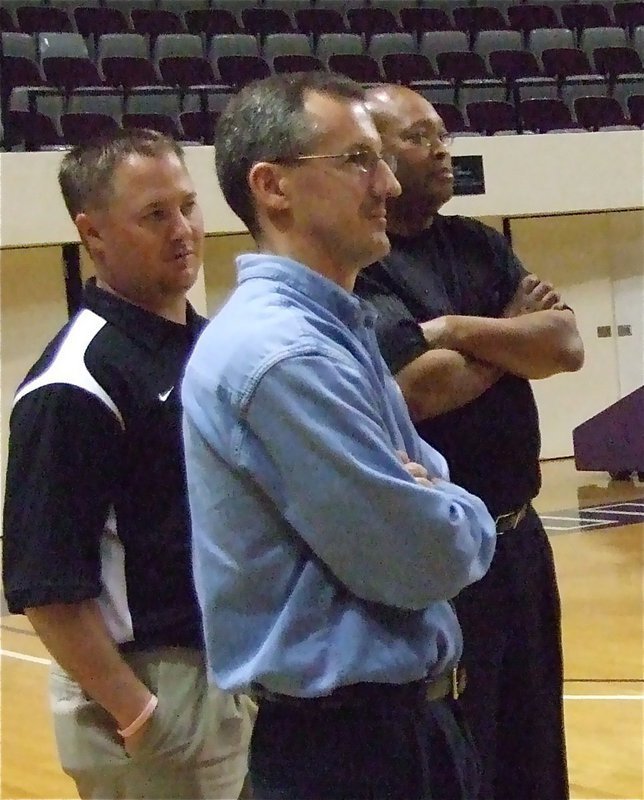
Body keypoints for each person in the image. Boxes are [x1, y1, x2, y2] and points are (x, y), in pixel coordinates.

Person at [182, 71, 497, 800]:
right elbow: (418, 560)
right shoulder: (287, 357)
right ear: (273, 187)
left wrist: (433, 494)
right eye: (357, 159)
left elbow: (423, 498)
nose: (387, 182)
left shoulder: (333, 330)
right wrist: (458, 509)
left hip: (402, 731)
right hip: (348, 752)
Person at [2, 129, 254, 800]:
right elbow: (45, 582)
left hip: (236, 672)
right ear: (93, 233)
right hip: (157, 687)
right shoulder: (75, 382)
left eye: (188, 205)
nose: (184, 230)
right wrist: (136, 711)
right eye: (154, 215)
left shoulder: (206, 345)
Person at [353, 85, 585, 800]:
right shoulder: (367, 265)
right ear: (378, 162)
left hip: (520, 536)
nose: (443, 147)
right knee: (465, 740)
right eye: (420, 136)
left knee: (534, 731)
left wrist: (455, 328)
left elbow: (565, 344)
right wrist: (508, 335)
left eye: (442, 132)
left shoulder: (477, 241)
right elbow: (421, 389)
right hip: (444, 549)